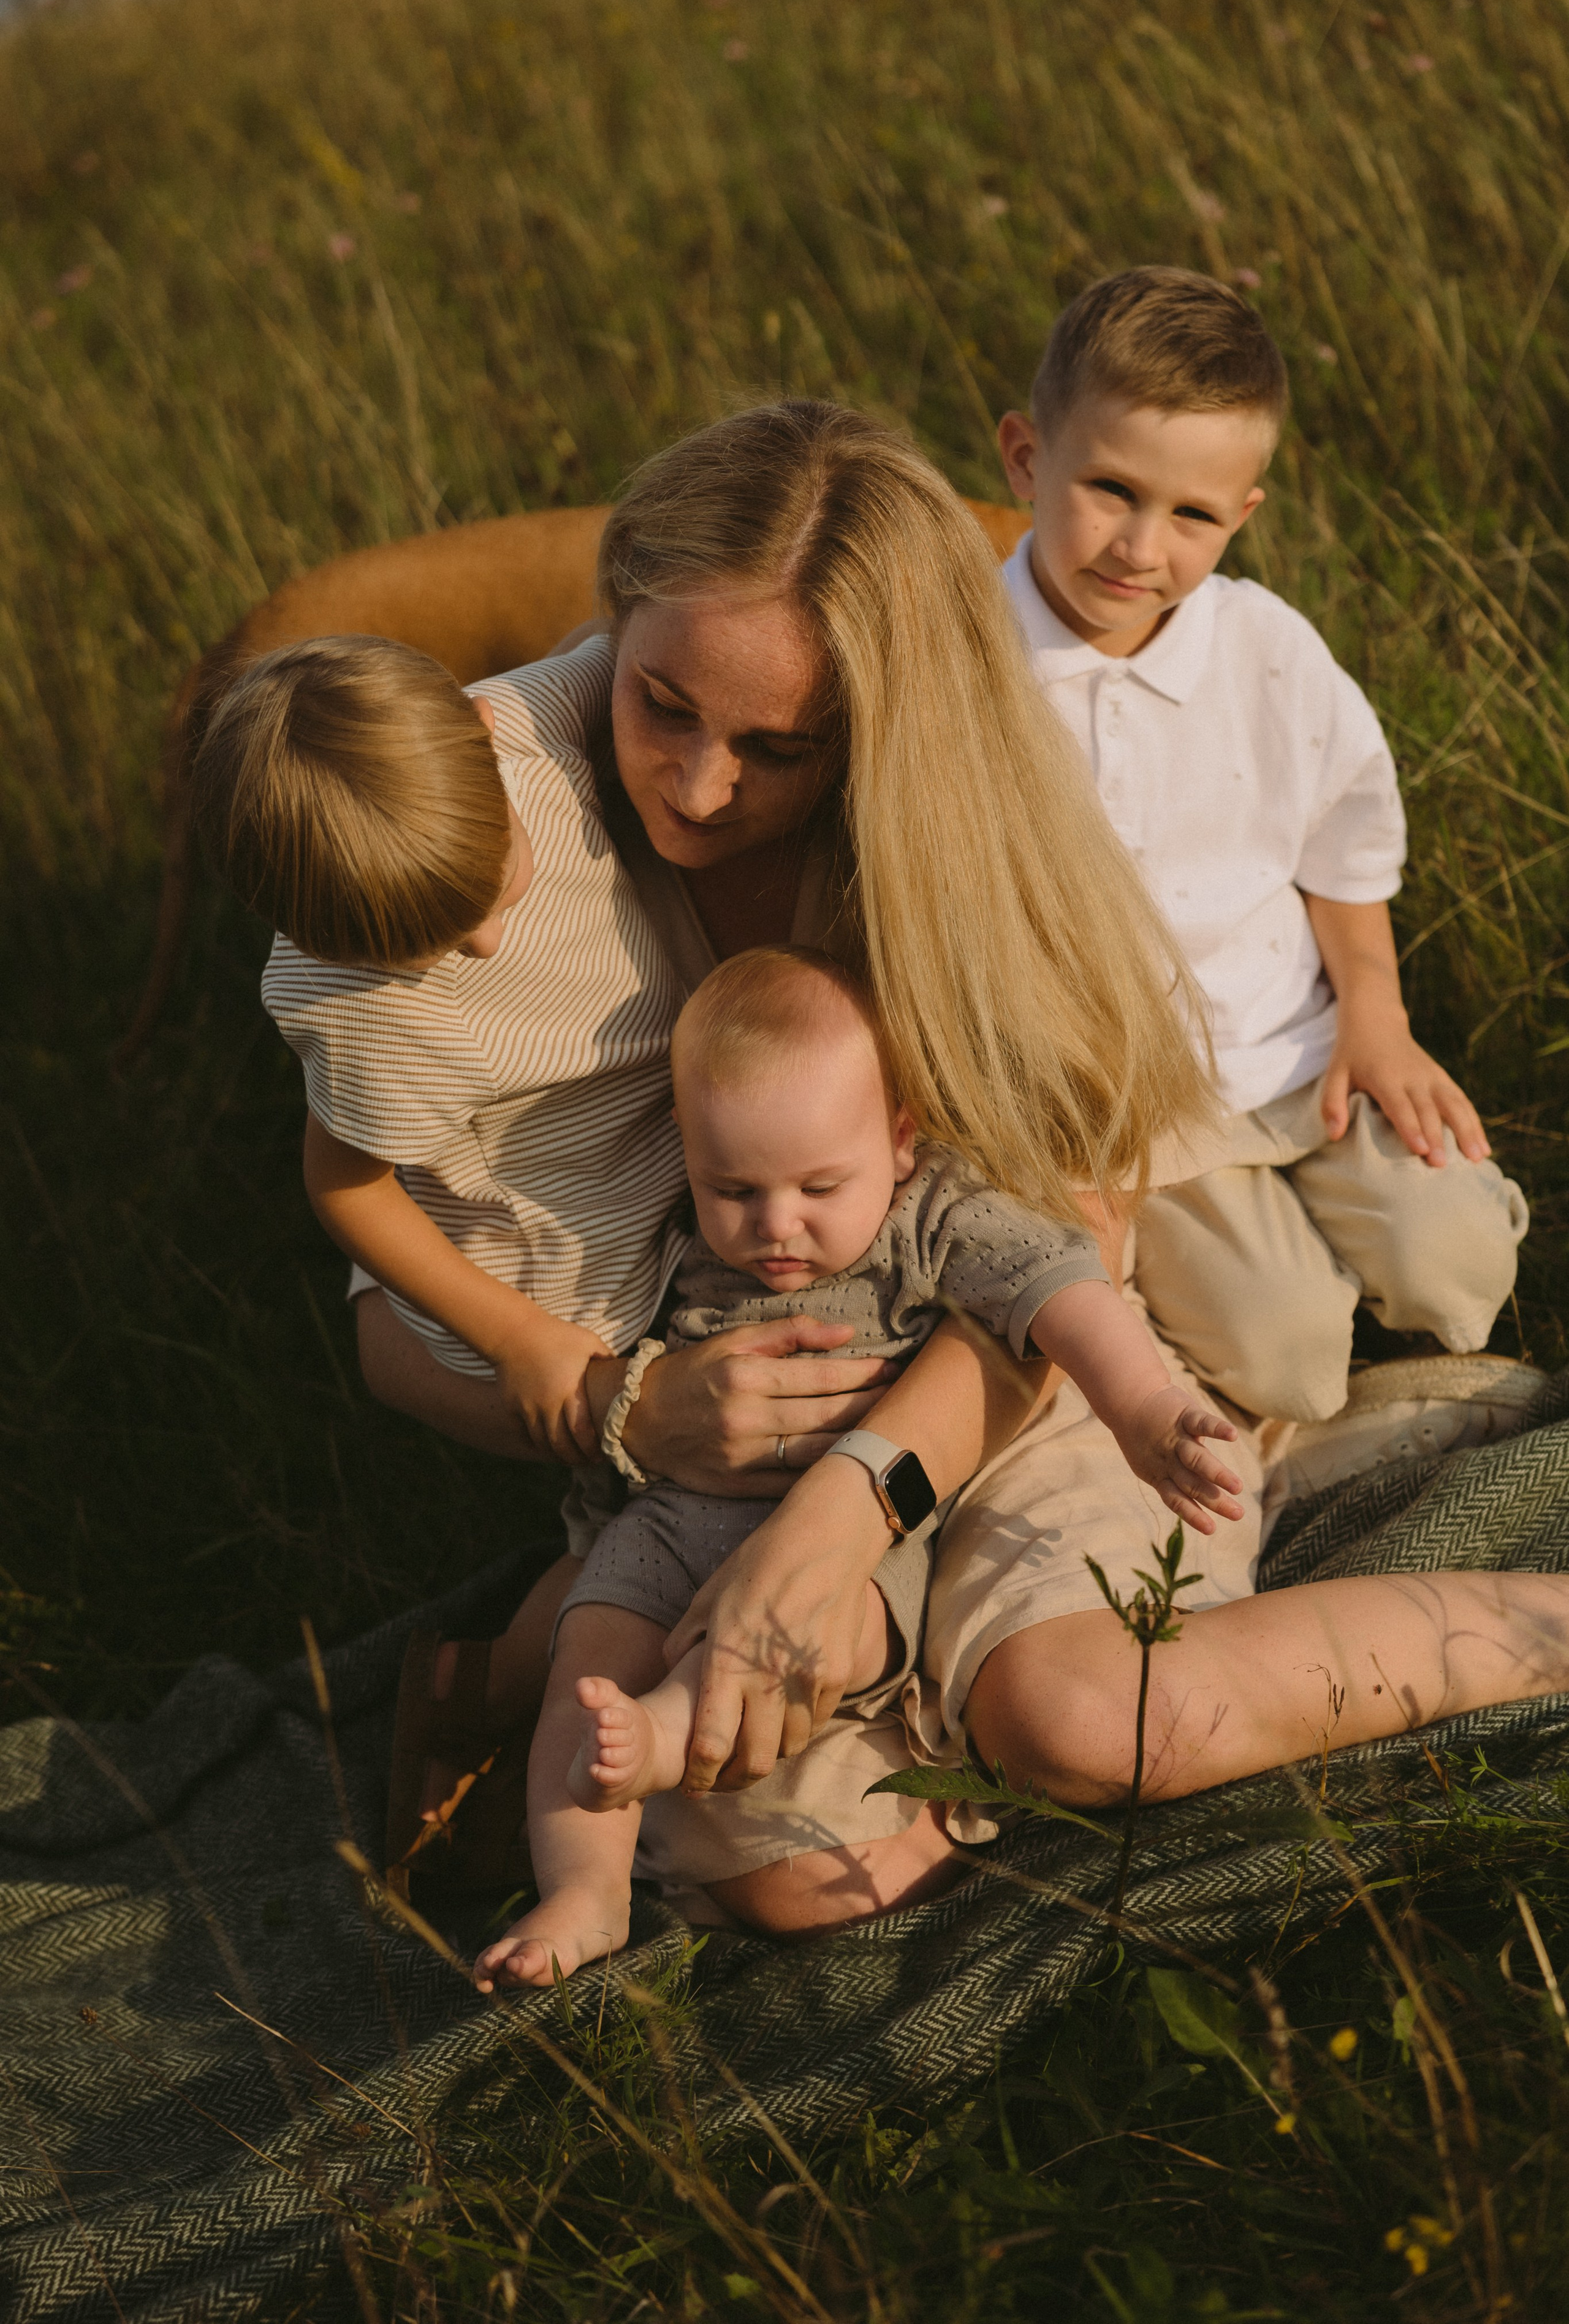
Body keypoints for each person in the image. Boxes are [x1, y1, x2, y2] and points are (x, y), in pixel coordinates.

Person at [189, 398, 1220, 1923]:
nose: (697, 788)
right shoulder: (489, 818)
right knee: (782, 1868)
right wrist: (620, 1410)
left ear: (874, 731)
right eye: (658, 705)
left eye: (774, 748)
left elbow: (1054, 1232)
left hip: (938, 1343)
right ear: (610, 636)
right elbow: (387, 1295)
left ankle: (645, 1668)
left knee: (1222, 1350)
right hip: (682, 1356)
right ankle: (536, 1690)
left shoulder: (923, 862)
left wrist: (843, 1511)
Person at [474, 944, 1244, 1989]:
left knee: (776, 1643)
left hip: (863, 1552)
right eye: (731, 1186)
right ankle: (583, 1891)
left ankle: (667, 1734)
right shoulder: (676, 1239)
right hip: (674, 1520)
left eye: (818, 1185)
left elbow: (1055, 1282)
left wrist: (1145, 1407)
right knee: (588, 1664)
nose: (774, 1225)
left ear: (899, 1138)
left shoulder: (927, 1216)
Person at [995, 265, 1529, 1426]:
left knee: (1462, 1265)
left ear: (1243, 515)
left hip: (1302, 1051)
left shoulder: (1265, 650)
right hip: (1138, 1112)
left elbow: (1341, 837)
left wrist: (1375, 1015)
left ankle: (1381, 1281)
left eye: (1191, 515)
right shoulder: (977, 670)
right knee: (1285, 1358)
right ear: (1027, 460)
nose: (1142, 547)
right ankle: (1302, 1325)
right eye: (1110, 490)